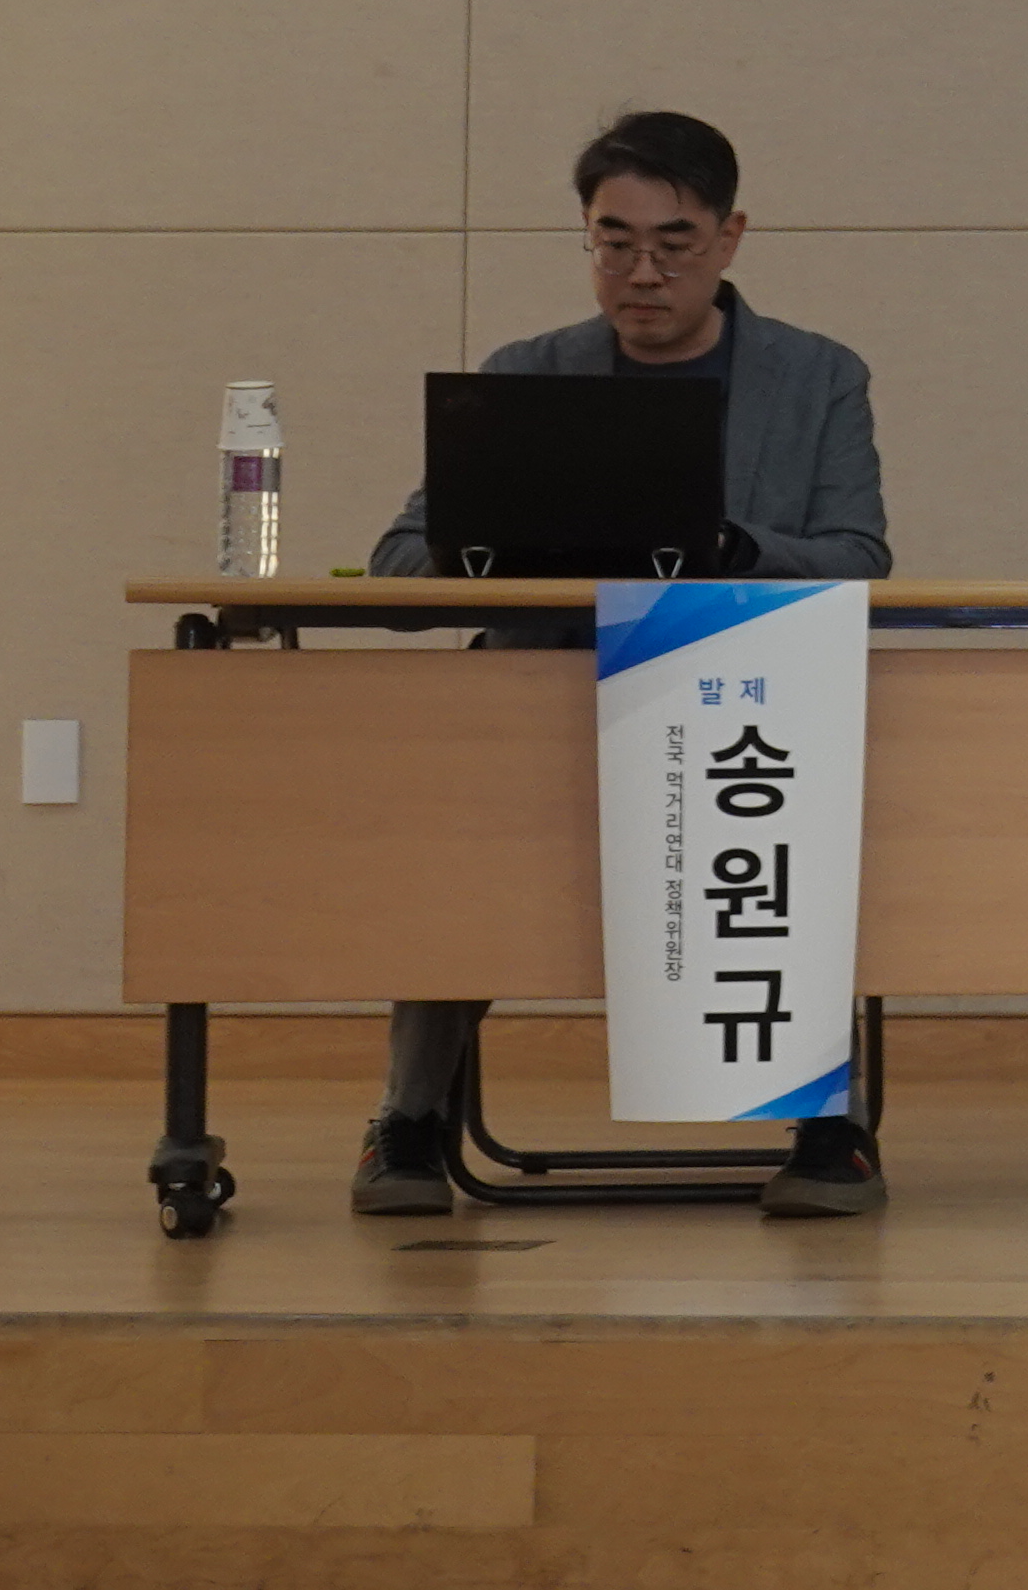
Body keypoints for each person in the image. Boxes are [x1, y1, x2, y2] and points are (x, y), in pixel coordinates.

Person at [358, 109, 892, 1221]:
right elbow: (399, 559)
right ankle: (408, 1117)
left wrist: (731, 549)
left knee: (807, 810)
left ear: (730, 237)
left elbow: (858, 557)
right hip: (541, 698)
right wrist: (495, 544)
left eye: (674, 244)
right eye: (615, 243)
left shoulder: (818, 377)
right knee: (457, 835)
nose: (642, 273)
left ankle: (827, 1126)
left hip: (738, 700)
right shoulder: (525, 373)